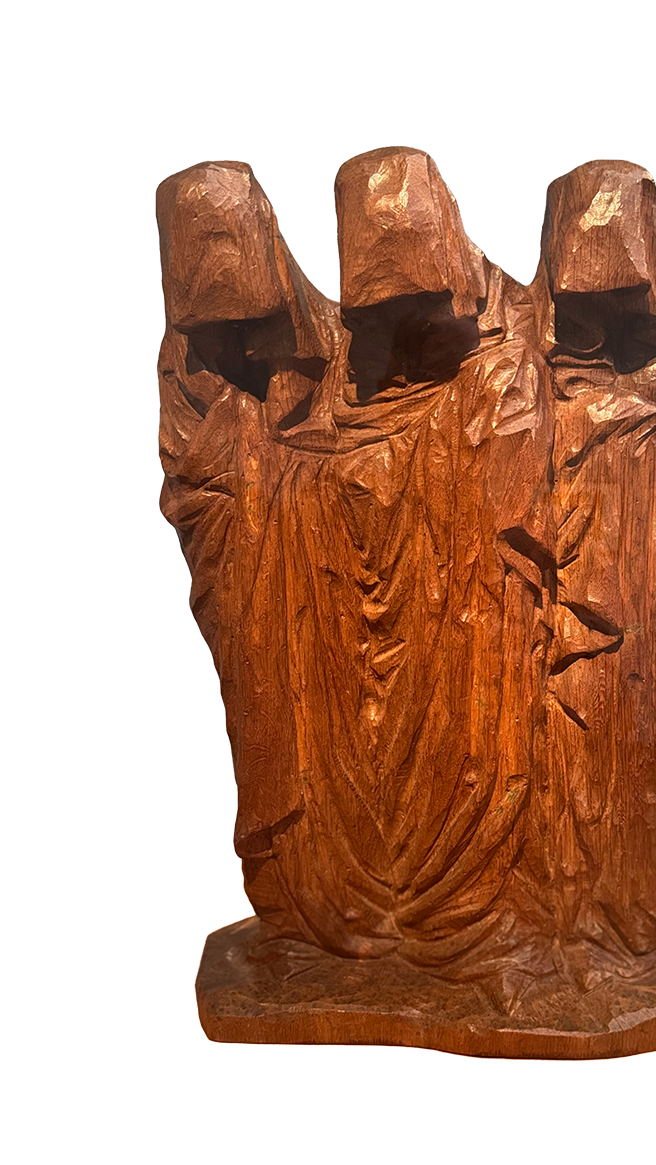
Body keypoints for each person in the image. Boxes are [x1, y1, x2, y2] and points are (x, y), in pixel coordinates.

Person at [158, 150, 558, 1004]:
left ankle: (459, 923)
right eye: (216, 328)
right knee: (299, 755)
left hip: (455, 607)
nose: (238, 345)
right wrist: (262, 468)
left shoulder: (497, 355)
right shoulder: (223, 372)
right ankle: (316, 921)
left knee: (464, 748)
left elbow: (501, 481)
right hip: (296, 603)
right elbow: (205, 480)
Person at [531, 160, 656, 965]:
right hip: (570, 610)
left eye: (623, 292)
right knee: (573, 755)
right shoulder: (530, 370)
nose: (604, 315)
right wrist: (629, 405)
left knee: (651, 748)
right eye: (585, 298)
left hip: (652, 608)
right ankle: (571, 915)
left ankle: (646, 900)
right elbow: (537, 456)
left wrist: (633, 411)